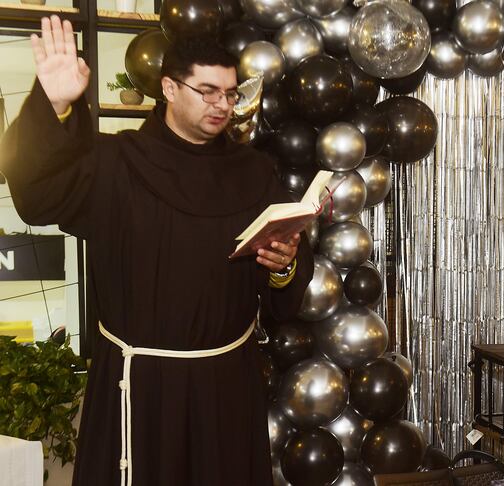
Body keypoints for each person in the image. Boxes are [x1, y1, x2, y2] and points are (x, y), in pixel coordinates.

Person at [0, 15, 313, 486]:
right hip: (138, 386)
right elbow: (38, 198)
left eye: (230, 93)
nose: (222, 105)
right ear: (169, 87)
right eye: (207, 91)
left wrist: (284, 267)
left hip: (225, 387)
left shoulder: (254, 173)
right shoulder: (115, 162)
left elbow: (281, 285)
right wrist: (55, 104)